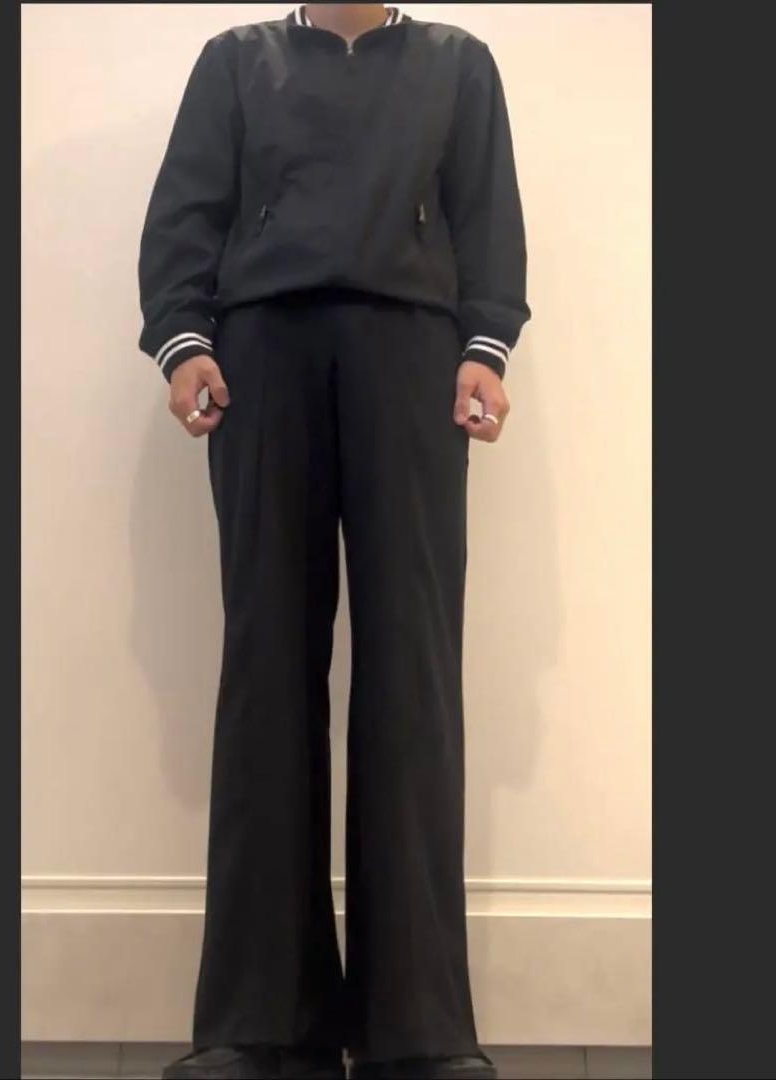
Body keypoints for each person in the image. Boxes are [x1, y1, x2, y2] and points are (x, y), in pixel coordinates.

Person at [138, 5, 529, 1078]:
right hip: (261, 359)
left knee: (412, 675)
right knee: (266, 670)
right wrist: (183, 341)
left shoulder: (457, 65)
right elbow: (185, 216)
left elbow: (488, 219)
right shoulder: (235, 63)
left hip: (413, 363)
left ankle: (419, 1030)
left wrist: (486, 346)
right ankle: (263, 1023)